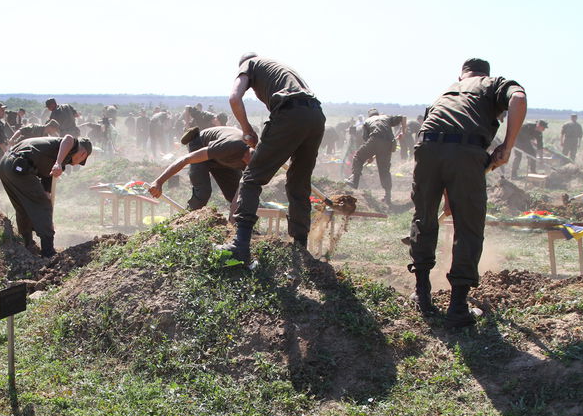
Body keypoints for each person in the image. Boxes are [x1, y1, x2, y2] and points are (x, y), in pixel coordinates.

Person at [408, 58, 526, 328]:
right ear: (484, 73)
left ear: (462, 75)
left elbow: (441, 142)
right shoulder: (492, 83)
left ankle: (422, 295)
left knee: (423, 219)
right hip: (465, 153)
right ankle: (458, 308)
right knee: (468, 227)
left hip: (426, 149)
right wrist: (507, 147)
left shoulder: (447, 92)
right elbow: (518, 98)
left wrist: (448, 197)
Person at [219, 53, 326, 262]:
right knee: (299, 183)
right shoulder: (280, 68)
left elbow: (234, 97)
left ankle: (240, 244)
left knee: (251, 178)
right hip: (315, 115)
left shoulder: (249, 64)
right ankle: (300, 249)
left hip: (290, 113)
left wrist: (247, 129)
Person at [0, 135, 92, 257]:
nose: (75, 165)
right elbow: (68, 138)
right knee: (42, 205)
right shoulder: (71, 146)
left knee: (23, 208)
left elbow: (47, 179)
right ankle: (48, 251)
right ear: (83, 154)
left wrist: (47, 196)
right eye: (81, 162)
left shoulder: (60, 155)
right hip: (19, 165)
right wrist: (58, 163)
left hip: (7, 165)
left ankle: (27, 244)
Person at [148, 126, 253, 212]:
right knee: (203, 192)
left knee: (237, 195)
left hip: (221, 159)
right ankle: (187, 222)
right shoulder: (230, 146)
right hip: (201, 144)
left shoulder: (258, 161)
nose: (246, 163)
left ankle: (243, 227)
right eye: (247, 158)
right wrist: (159, 181)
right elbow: (185, 159)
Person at [344, 108, 406, 205]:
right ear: (378, 114)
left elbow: (367, 140)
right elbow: (403, 117)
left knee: (358, 157)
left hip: (375, 140)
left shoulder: (367, 121)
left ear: (369, 116)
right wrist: (404, 132)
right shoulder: (386, 117)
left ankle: (354, 180)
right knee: (384, 170)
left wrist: (369, 155)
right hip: (388, 144)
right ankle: (388, 196)